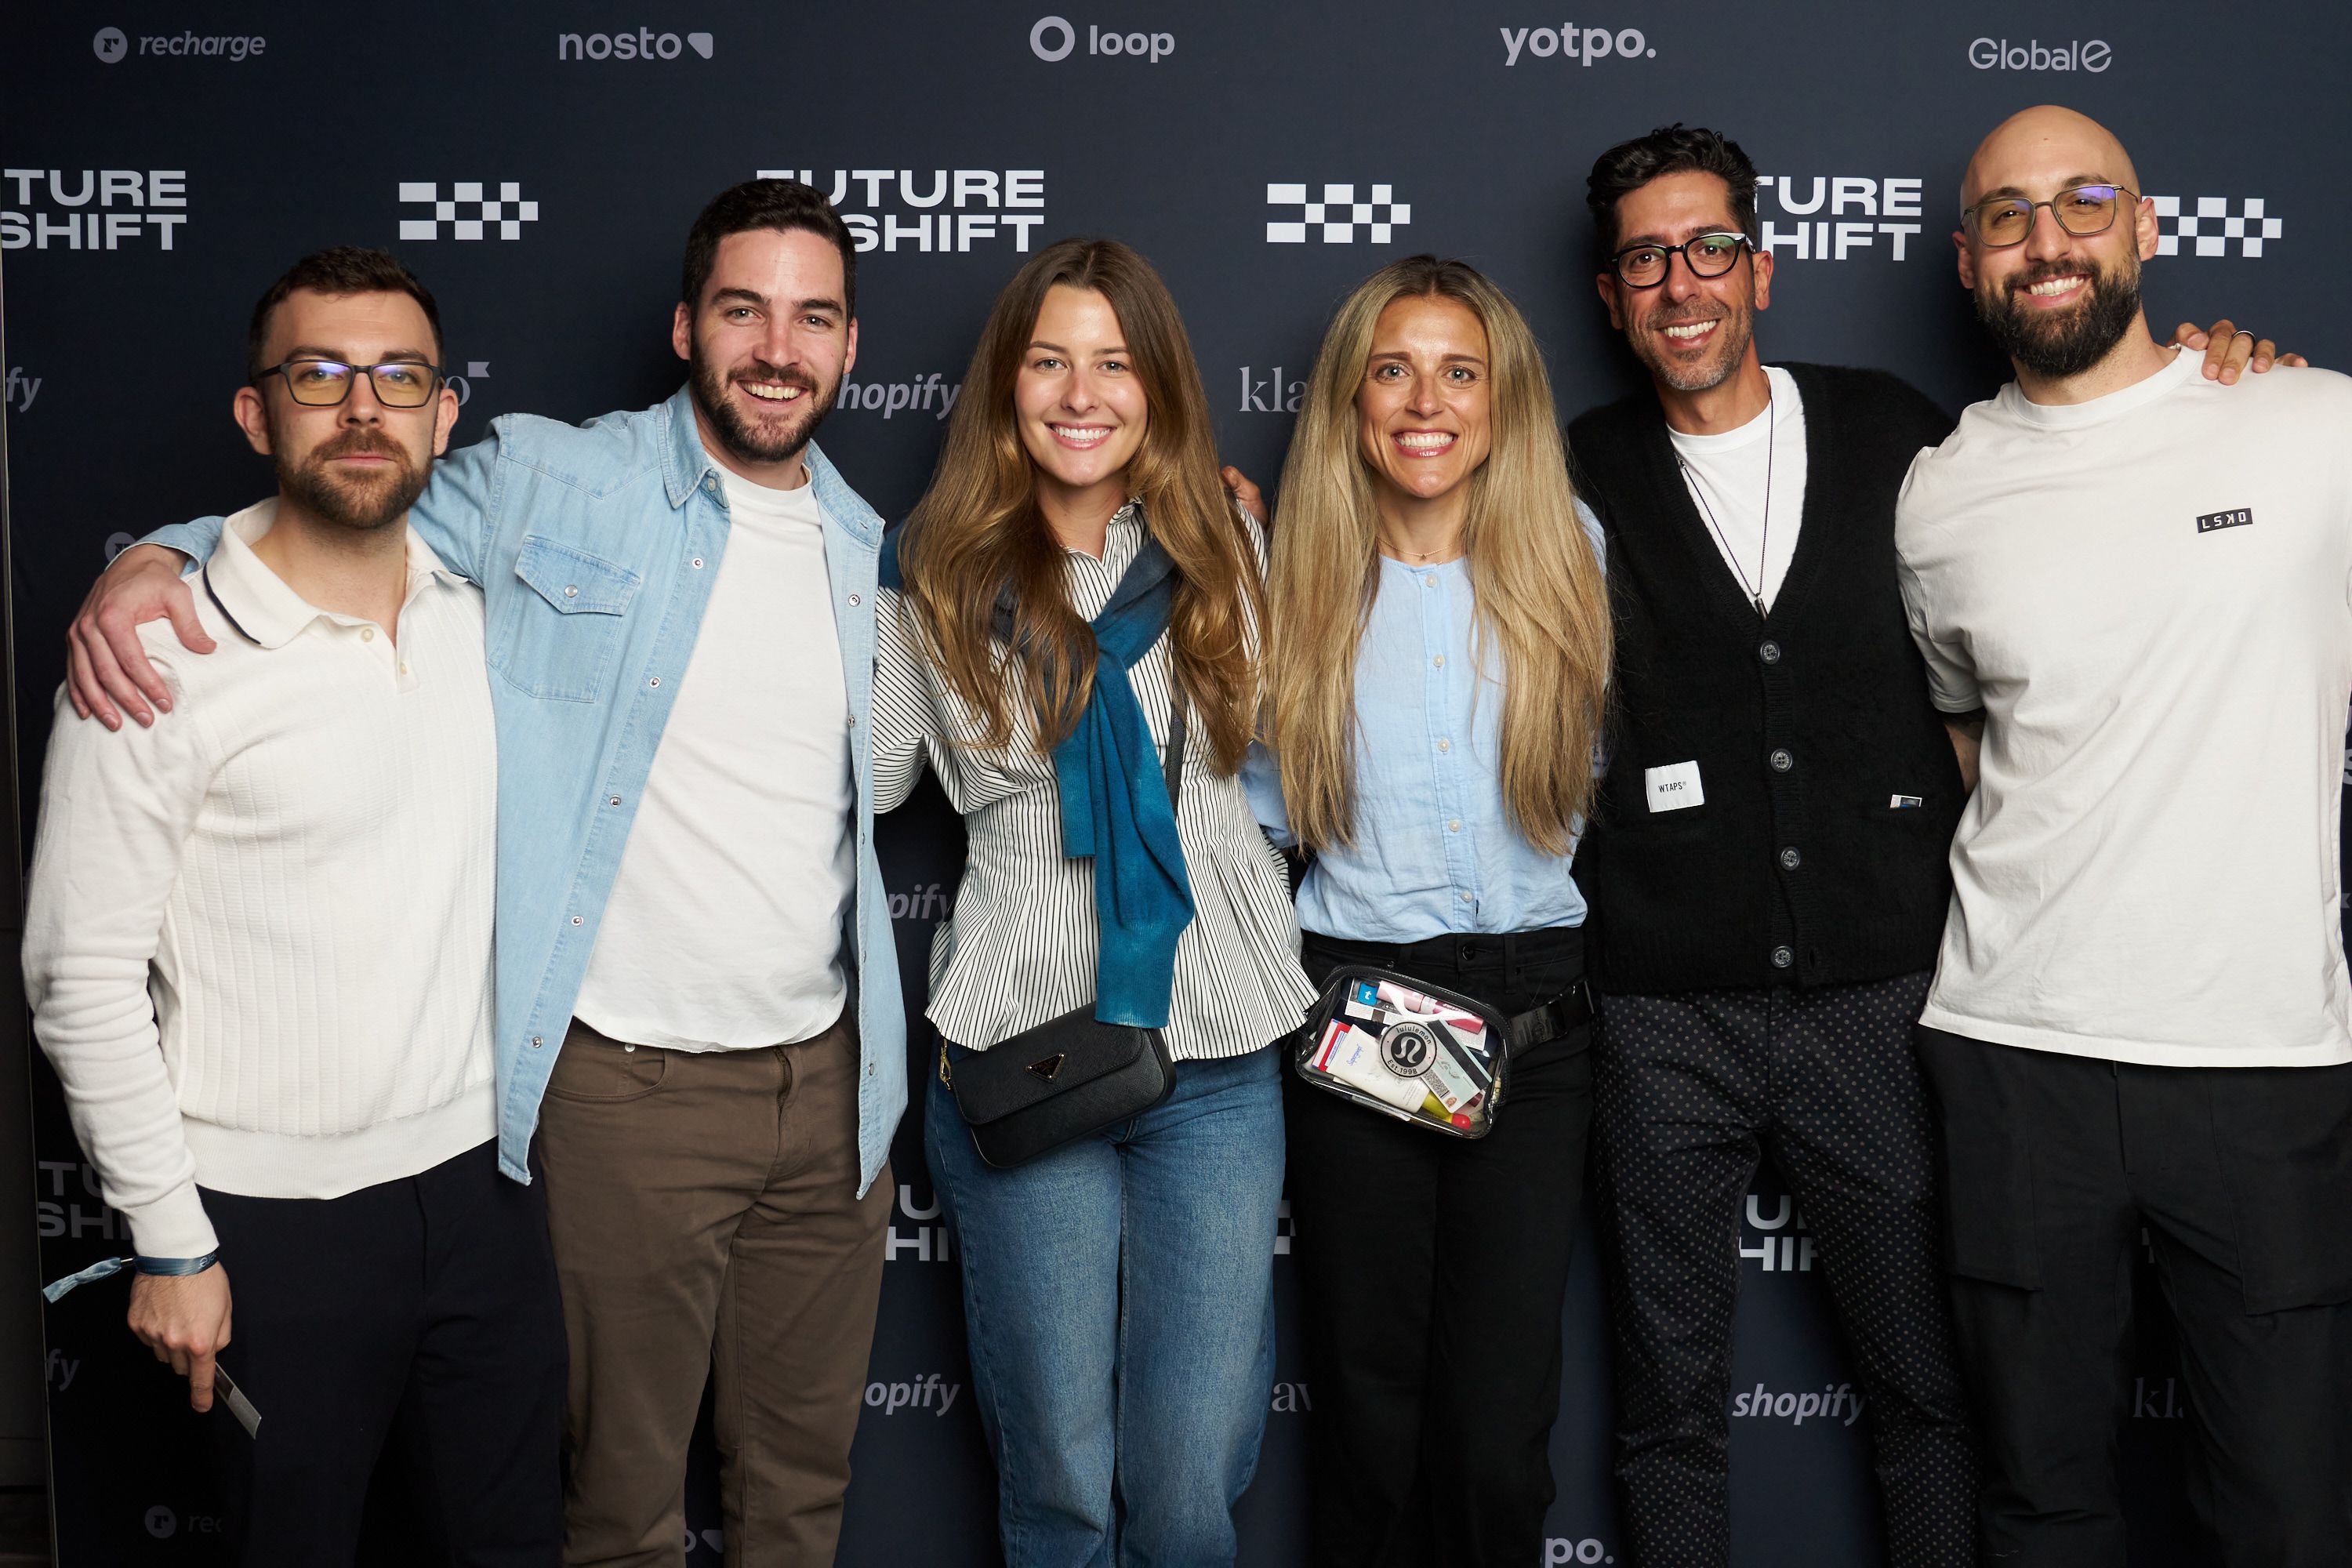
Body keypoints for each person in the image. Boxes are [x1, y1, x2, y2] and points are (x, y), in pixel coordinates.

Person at [64, 181, 901, 1568]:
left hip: (829, 1096)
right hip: (628, 1094)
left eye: (813, 318)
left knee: (798, 1496)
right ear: (688, 326)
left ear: (852, 349)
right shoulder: (551, 481)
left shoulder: (872, 547)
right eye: (744, 309)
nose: (776, 347)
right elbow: (339, 516)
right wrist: (163, 556)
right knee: (620, 1510)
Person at [1564, 123, 2296, 1568]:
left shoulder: (1906, 434)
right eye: (1645, 260)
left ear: (1762, 267)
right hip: (1659, 1015)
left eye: (1710, 247)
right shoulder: (1564, 470)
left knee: (1931, 1391)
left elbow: (2095, 492)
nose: (1682, 284)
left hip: (1881, 1005)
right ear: (1611, 297)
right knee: (1666, 1406)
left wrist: (2228, 387)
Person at [24, 247, 565, 1564]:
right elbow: (77, 977)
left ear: (447, 415)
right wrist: (170, 1245)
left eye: (399, 376)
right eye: (320, 375)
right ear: (258, 414)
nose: (363, 407)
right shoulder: (157, 657)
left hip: (483, 1201)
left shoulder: (483, 620)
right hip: (264, 1232)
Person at [1900, 104, 2352, 1566]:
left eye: (2083, 201)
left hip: (2261, 1057)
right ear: (1969, 260)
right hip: (2017, 1050)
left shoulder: (2313, 425)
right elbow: (1974, 748)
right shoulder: (1938, 493)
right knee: (2043, 1504)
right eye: (2008, 216)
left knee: (2283, 1512)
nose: (2047, 239)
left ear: (2148, 228)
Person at [873, 237, 1314, 1568]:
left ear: (1159, 387)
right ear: (1007, 385)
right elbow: (876, 768)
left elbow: (1293, 748)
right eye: (1051, 361)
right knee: (1061, 1475)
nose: (1082, 392)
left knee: (1190, 1481)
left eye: (1115, 364)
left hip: (1219, 1053)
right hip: (1025, 1047)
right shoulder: (927, 571)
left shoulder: (1225, 540)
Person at [1243, 255, 1610, 1568]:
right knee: (1370, 1405)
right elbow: (1260, 815)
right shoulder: (1286, 588)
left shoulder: (1575, 557)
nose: (1426, 401)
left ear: (1502, 406)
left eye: (1461, 372)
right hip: (1363, 1013)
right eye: (1391, 369)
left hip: (1537, 1018)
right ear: (1350, 402)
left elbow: (1601, 779)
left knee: (1499, 1428)